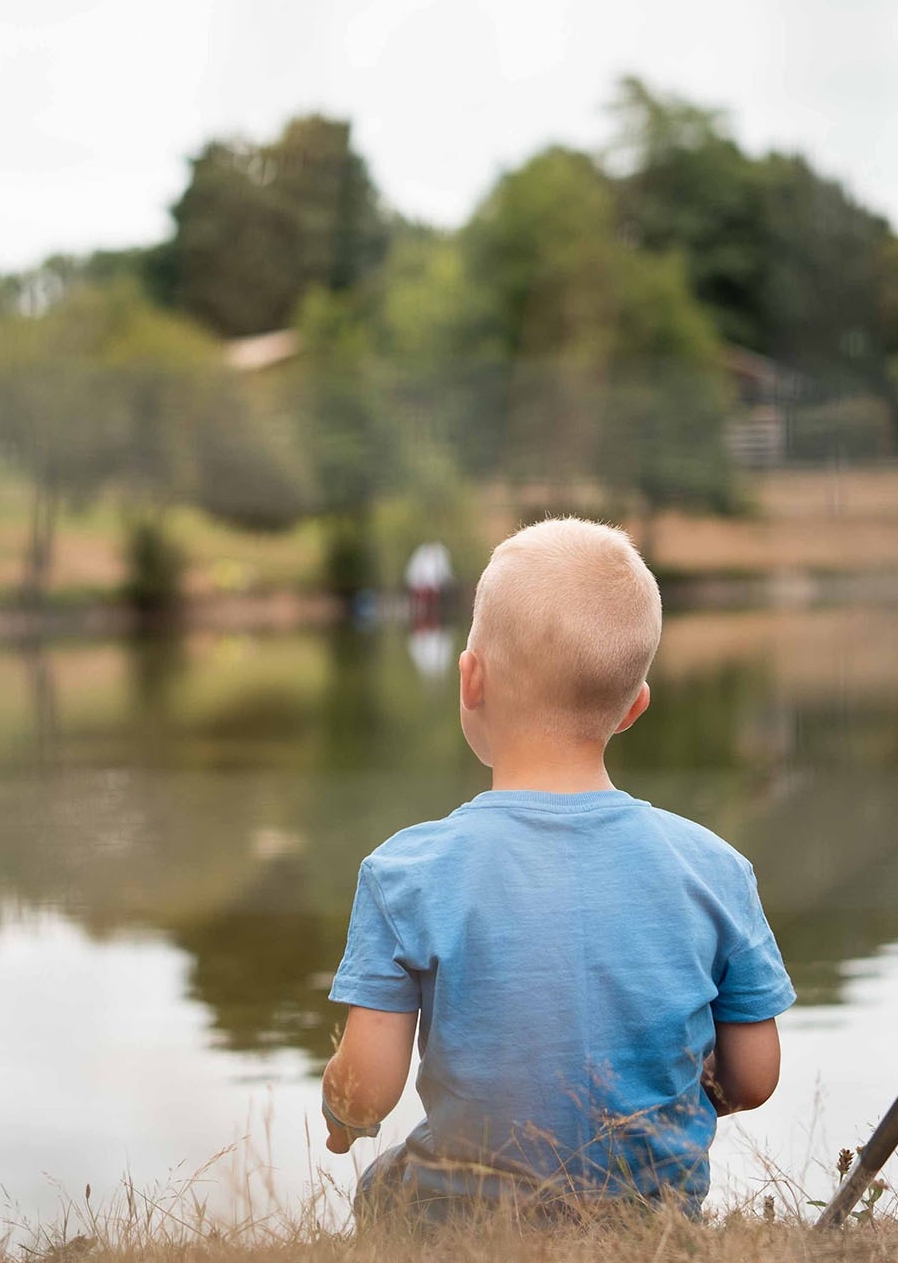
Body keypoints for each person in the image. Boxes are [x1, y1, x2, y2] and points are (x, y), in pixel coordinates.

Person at [317, 519, 790, 1218]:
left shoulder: (408, 872)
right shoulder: (715, 869)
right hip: (651, 1217)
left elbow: (367, 1092)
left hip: (466, 1220)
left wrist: (340, 1113)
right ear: (635, 708)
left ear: (471, 681)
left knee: (383, 1186)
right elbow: (754, 1077)